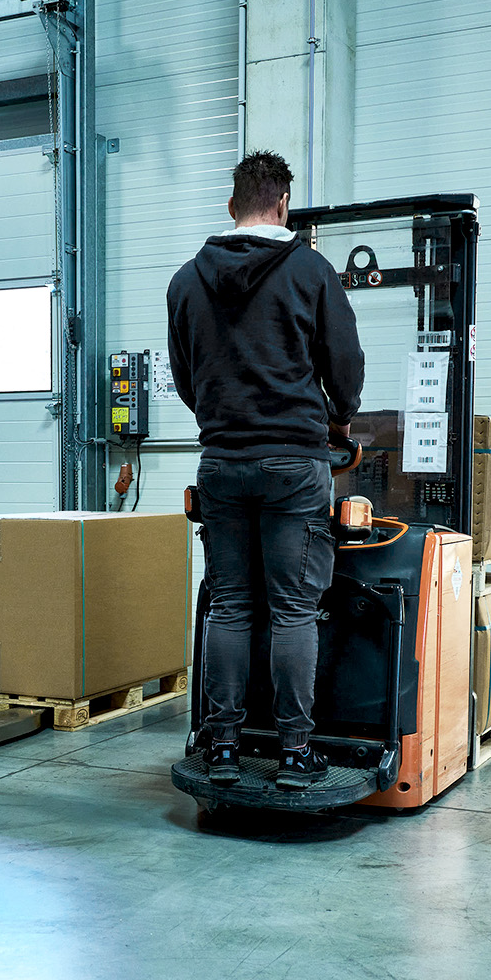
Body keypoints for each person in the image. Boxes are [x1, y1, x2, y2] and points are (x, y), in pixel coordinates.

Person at [165, 150, 364, 790]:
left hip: (221, 462)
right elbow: (345, 365)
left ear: (232, 205)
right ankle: (295, 753)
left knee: (229, 604)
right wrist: (339, 419)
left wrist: (224, 420)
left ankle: (221, 747)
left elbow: (185, 376)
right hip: (295, 464)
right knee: (293, 611)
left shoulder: (185, 281)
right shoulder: (310, 270)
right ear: (283, 205)